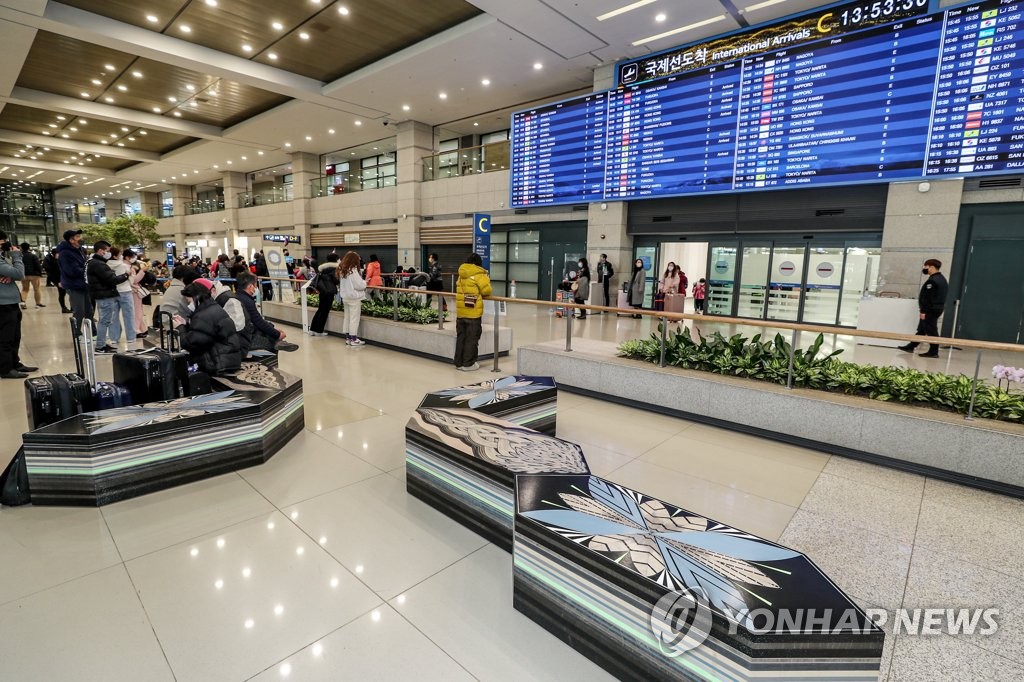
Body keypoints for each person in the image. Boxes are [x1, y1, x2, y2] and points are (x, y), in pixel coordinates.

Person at [173, 279, 242, 375]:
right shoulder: (211, 308)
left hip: (217, 362)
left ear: (197, 297)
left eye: (189, 300)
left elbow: (190, 344)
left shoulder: (203, 315)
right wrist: (185, 325)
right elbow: (202, 335)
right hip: (227, 358)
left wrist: (180, 327)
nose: (189, 304)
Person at [0, 231, 37, 379]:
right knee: (5, 338)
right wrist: (16, 256)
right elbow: (20, 274)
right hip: (3, 304)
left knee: (15, 336)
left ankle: (14, 363)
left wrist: (10, 273)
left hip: (11, 302)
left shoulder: (2, 257)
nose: (5, 245)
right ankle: (5, 368)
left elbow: (14, 273)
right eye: (2, 242)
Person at [235, 271, 298, 353]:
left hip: (243, 331)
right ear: (250, 287)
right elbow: (259, 322)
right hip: (245, 336)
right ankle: (277, 342)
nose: (256, 287)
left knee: (269, 326)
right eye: (255, 285)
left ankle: (277, 342)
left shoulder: (238, 296)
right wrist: (277, 334)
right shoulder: (247, 301)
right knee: (268, 335)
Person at [86, 241, 131, 354]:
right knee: (104, 321)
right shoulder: (98, 264)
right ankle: (100, 347)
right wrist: (126, 275)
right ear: (101, 251)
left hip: (103, 294)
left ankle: (101, 344)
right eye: (107, 250)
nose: (108, 253)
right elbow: (112, 280)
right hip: (104, 295)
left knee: (105, 321)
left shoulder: (95, 262)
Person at [898, 258, 949, 358]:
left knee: (931, 331)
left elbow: (928, 298)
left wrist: (923, 311)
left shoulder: (933, 281)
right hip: (935, 308)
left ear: (932, 267)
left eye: (926, 266)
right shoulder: (941, 279)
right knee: (922, 329)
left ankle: (934, 351)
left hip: (930, 310)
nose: (924, 268)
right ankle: (911, 346)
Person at [454, 252, 492, 371]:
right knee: (472, 338)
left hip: (461, 312)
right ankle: (468, 364)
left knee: (461, 337)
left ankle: (459, 363)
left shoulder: (461, 274)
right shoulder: (479, 274)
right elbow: (487, 291)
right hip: (473, 313)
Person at [57, 228, 91, 329]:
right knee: (79, 311)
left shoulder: (79, 250)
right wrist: (87, 270)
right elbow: (71, 271)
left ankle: (93, 332)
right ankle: (77, 334)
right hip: (74, 285)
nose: (80, 239)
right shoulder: (65, 253)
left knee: (89, 310)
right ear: (71, 240)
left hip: (83, 284)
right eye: (77, 237)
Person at [337, 251, 367, 346]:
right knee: (354, 318)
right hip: (354, 298)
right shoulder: (352, 270)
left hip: (345, 297)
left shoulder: (342, 269)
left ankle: (348, 338)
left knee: (347, 317)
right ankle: (354, 339)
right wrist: (365, 282)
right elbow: (359, 285)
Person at [108, 247, 136, 347]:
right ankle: (131, 337)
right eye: (119, 254)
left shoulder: (106, 265)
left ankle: (114, 338)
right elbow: (131, 280)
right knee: (128, 315)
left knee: (113, 317)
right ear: (115, 256)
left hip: (111, 293)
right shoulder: (123, 266)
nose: (121, 256)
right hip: (125, 291)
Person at [310, 254, 339, 336]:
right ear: (336, 259)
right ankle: (319, 331)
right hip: (329, 291)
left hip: (322, 290)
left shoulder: (322, 268)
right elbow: (336, 281)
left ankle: (312, 329)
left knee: (320, 309)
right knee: (325, 311)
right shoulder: (335, 268)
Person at [129, 258, 151, 339]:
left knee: (139, 311)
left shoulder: (131, 267)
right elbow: (134, 280)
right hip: (134, 291)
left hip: (135, 291)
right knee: (137, 311)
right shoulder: (128, 268)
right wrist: (142, 271)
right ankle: (137, 330)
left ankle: (142, 328)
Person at [18, 243, 44, 310]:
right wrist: (40, 273)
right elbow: (38, 265)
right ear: (28, 248)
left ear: (21, 248)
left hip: (24, 275)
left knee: (25, 289)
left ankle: (23, 302)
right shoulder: (33, 256)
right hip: (34, 275)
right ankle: (38, 303)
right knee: (36, 289)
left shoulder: (19, 256)